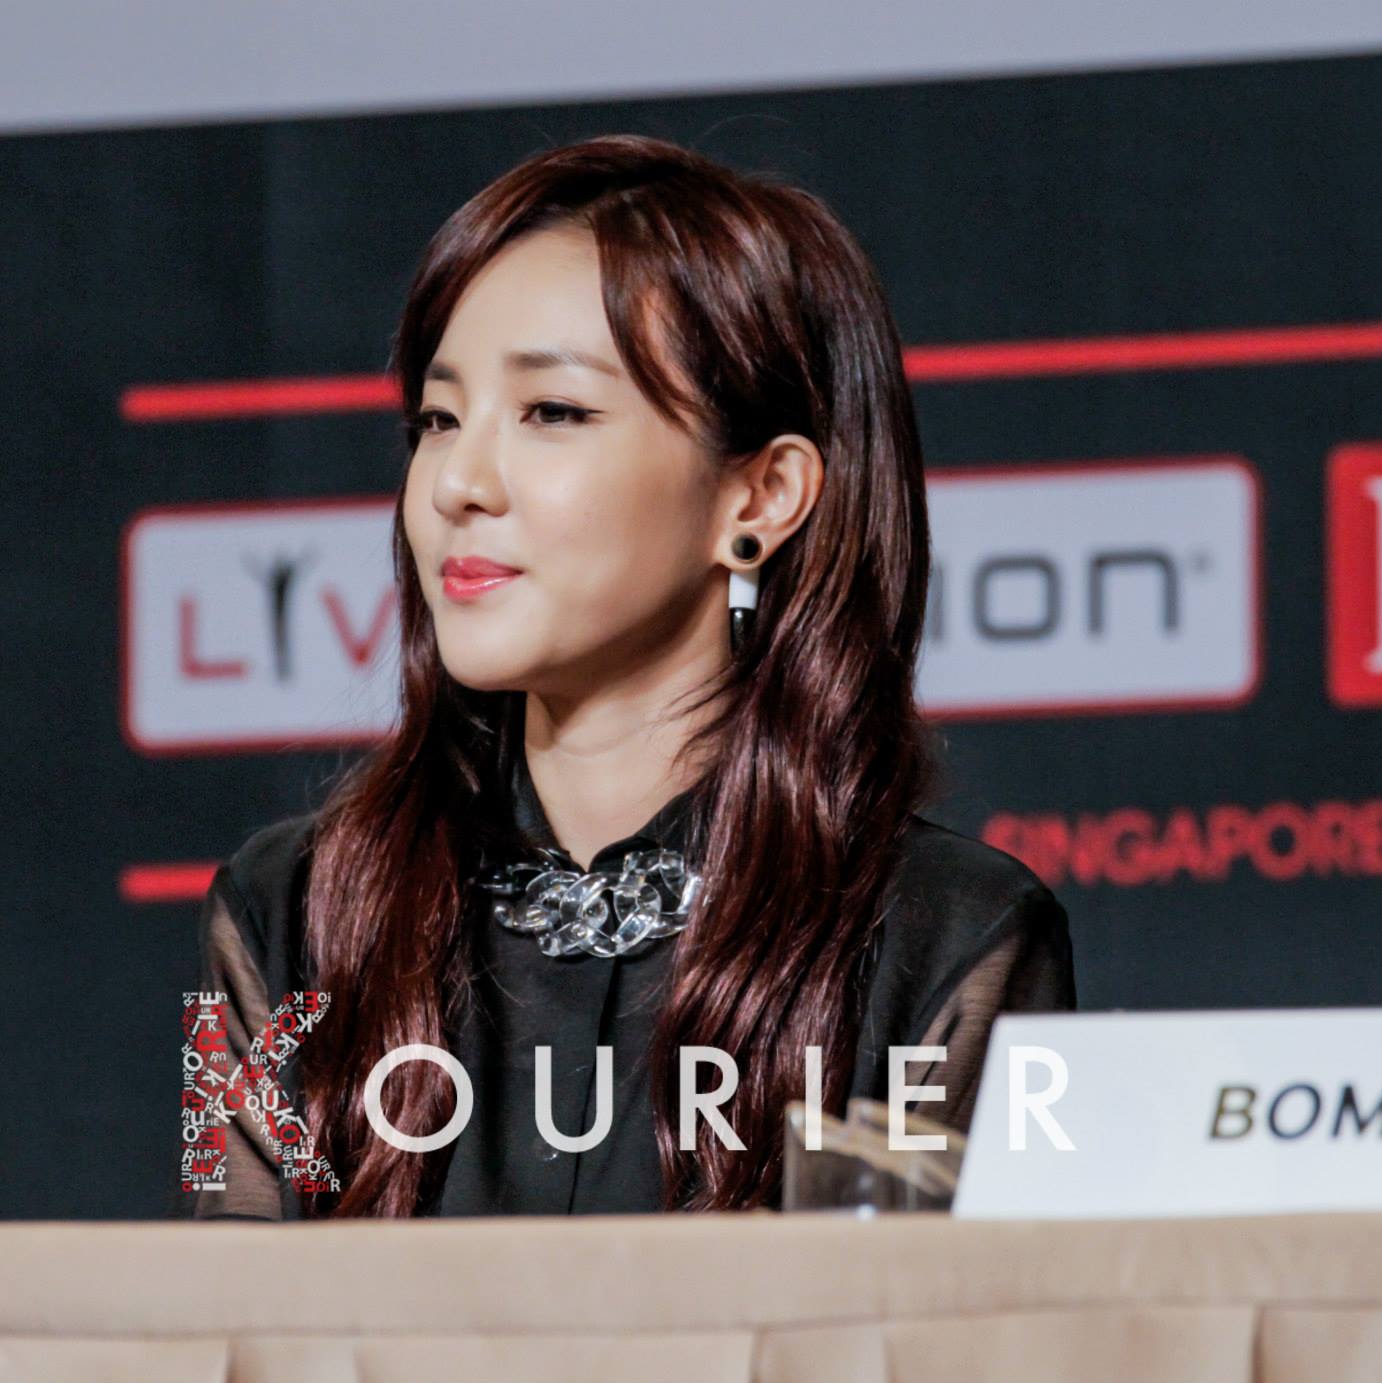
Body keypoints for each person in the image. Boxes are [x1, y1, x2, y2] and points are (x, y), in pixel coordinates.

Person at [171, 134, 1074, 1221]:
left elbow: (974, 1314)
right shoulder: (288, 909)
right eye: (438, 420)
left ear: (759, 497)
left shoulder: (952, 935)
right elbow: (222, 1300)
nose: (457, 482)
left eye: (553, 412)